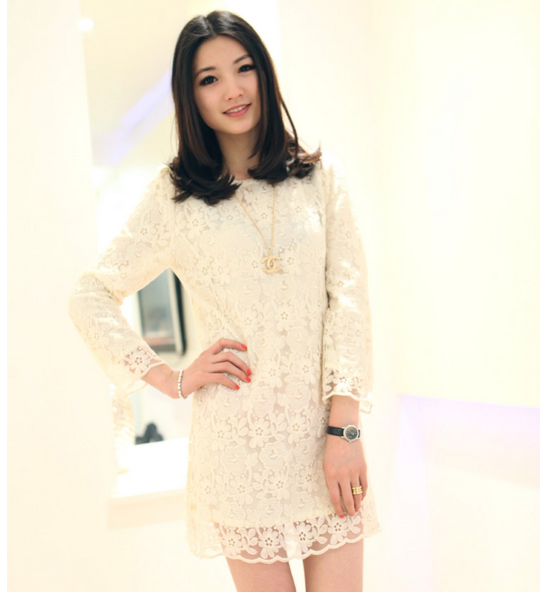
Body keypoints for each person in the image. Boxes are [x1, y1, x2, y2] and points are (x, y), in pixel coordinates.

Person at [68, 9, 381, 592]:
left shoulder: (321, 180)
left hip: (327, 442)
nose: (232, 90)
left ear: (264, 72)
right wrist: (171, 380)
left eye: (243, 69)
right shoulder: (174, 198)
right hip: (237, 454)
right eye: (209, 79)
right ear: (191, 97)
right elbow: (91, 294)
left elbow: (350, 303)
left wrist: (346, 430)